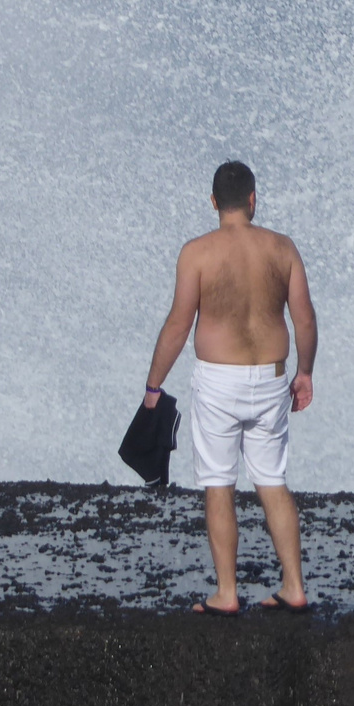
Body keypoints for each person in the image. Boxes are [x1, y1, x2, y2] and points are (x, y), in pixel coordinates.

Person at [142, 161, 318, 615]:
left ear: (215, 202)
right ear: (254, 201)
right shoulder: (283, 249)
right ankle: (294, 585)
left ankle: (226, 592)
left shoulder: (197, 253)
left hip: (220, 381)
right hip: (273, 376)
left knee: (219, 484)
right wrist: (305, 373)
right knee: (272, 480)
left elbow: (179, 325)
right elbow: (304, 318)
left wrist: (153, 385)